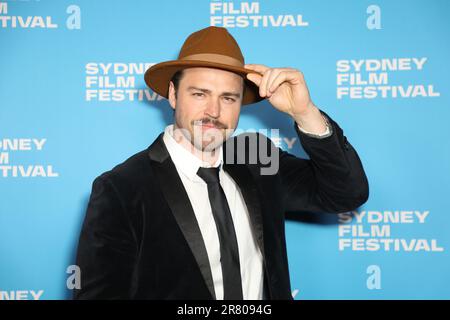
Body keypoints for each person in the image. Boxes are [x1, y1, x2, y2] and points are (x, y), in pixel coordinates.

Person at [73, 26, 369, 300]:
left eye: (228, 98)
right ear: (173, 95)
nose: (213, 111)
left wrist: (304, 113)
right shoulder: (122, 188)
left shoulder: (256, 157)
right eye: (200, 94)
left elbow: (346, 193)